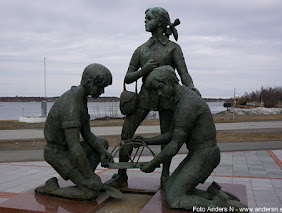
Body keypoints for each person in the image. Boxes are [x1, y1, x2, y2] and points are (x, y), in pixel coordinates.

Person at [105, 7, 200, 188]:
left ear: (160, 21)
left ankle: (164, 176)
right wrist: (144, 71)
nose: (145, 21)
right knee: (126, 133)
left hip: (167, 98)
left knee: (167, 136)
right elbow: (127, 77)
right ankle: (121, 174)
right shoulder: (141, 50)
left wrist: (192, 88)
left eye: (148, 18)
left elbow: (184, 74)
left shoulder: (174, 48)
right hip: (145, 97)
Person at [137, 65, 247, 209]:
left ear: (169, 82)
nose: (159, 93)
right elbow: (170, 135)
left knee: (174, 199)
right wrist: (146, 141)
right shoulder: (180, 100)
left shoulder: (187, 104)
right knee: (170, 186)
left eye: (160, 88)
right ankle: (212, 195)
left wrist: (153, 163)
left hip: (205, 156)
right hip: (197, 154)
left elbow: (174, 145)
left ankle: (217, 205)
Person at [35, 63, 114, 201]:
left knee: (102, 144)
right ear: (89, 83)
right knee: (89, 194)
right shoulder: (72, 104)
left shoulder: (81, 99)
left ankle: (86, 181)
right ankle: (53, 188)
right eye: (101, 87)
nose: (102, 92)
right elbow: (74, 146)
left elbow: (87, 135)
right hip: (57, 153)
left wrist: (103, 152)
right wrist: (90, 176)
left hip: (68, 150)